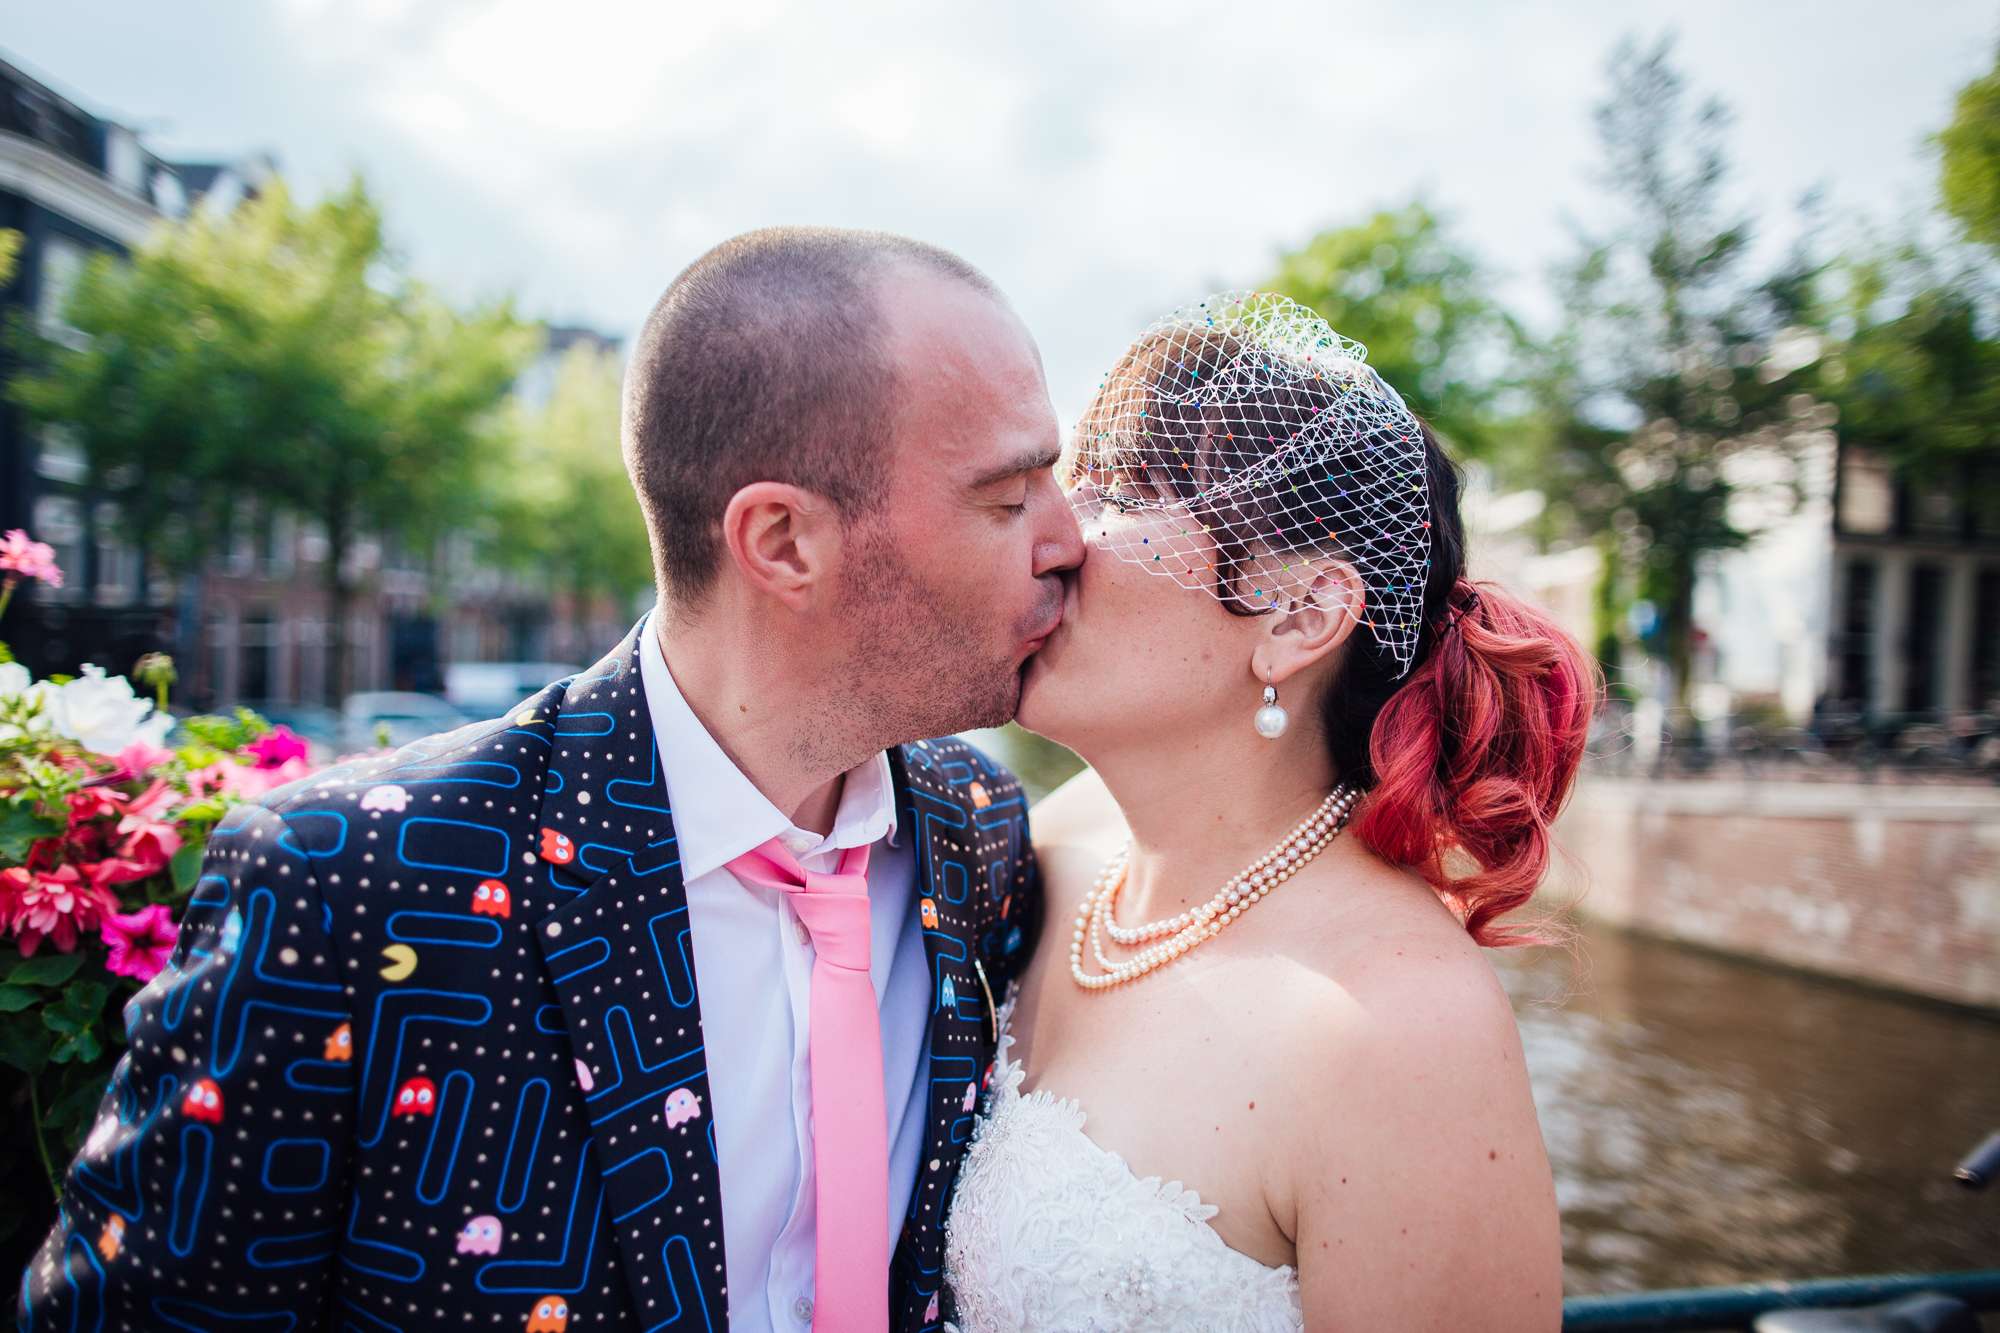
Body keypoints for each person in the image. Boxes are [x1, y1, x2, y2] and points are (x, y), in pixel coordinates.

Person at [18, 227, 1082, 1332]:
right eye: (1009, 498)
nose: (1069, 540)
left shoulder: (979, 829)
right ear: (781, 541)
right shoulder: (345, 888)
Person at [943, 292, 1596, 1331]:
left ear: (1300, 615)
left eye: (1124, 492)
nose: (1057, 531)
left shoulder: (1401, 1029)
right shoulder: (1061, 840)